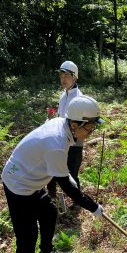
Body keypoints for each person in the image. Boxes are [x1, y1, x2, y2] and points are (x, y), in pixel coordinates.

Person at [2, 96, 104, 253]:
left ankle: (46, 252)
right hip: (19, 184)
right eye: (90, 127)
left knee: (49, 212)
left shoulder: (63, 125)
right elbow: (68, 189)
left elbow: (63, 175)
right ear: (76, 124)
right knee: (28, 234)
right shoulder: (56, 143)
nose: (91, 132)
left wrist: (67, 177)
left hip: (33, 179)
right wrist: (93, 207)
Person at [47, 60, 83, 200]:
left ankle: (78, 202)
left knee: (72, 175)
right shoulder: (63, 96)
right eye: (61, 76)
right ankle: (52, 200)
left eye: (67, 76)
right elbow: (61, 117)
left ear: (74, 77)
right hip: (60, 141)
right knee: (53, 172)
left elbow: (79, 124)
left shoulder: (78, 98)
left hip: (74, 143)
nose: (63, 79)